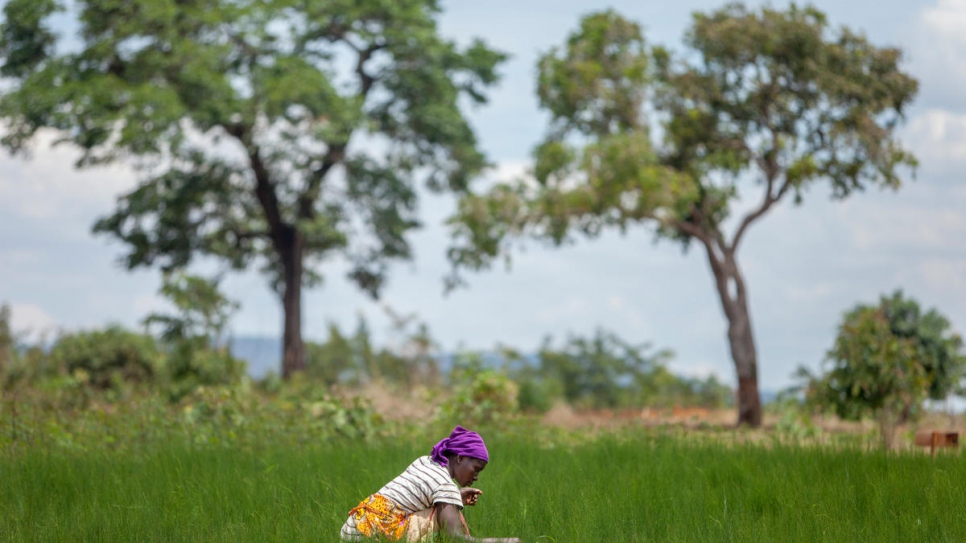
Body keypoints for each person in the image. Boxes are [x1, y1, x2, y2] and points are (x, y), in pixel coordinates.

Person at [340, 425, 521, 543]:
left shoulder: (426, 461)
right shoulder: (445, 486)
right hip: (372, 535)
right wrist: (502, 541)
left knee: (447, 508)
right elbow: (454, 537)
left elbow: (420, 495)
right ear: (460, 458)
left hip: (354, 528)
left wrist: (455, 496)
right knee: (448, 516)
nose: (476, 477)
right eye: (476, 469)